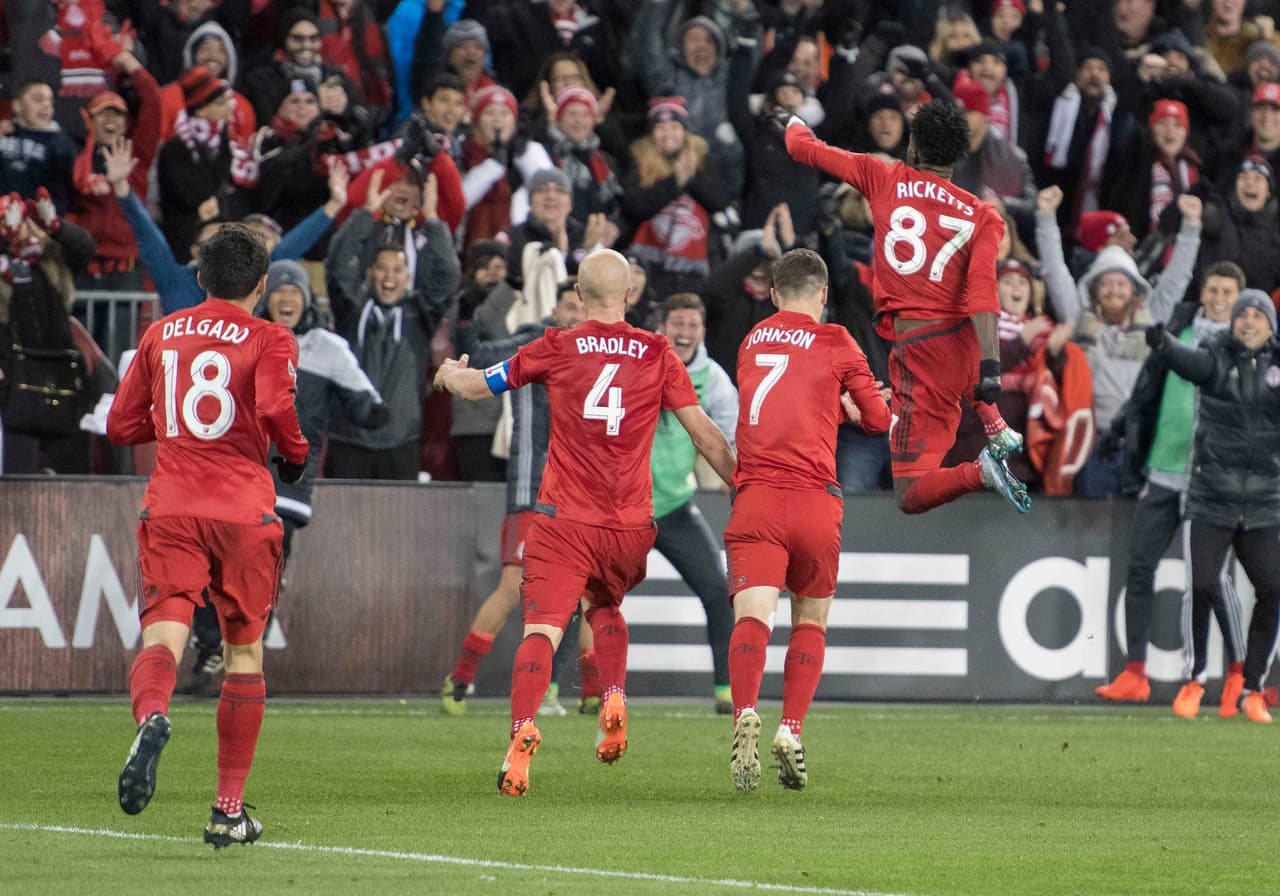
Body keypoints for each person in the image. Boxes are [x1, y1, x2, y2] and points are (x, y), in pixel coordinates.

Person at [435, 249, 737, 797]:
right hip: (628, 525)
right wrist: (750, 488)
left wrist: (450, 376)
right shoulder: (658, 352)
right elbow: (706, 435)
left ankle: (523, 730)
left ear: (577, 296)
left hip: (563, 519)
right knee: (607, 606)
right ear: (629, 296)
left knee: (542, 631)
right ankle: (614, 695)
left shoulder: (557, 346)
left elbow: (482, 386)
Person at [106, 224, 308, 847]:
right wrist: (294, 453)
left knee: (163, 630)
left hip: (172, 507)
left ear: (199, 279)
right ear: (262, 284)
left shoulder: (161, 332)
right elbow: (276, 410)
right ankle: (227, 811)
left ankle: (153, 715)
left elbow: (119, 425)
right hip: (244, 512)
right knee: (243, 654)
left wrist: (173, 432)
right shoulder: (271, 336)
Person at [782, 98, 1031, 515]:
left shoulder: (883, 176)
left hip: (922, 352)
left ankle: (982, 471)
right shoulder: (984, 215)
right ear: (957, 155)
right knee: (964, 334)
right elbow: (982, 289)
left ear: (913, 146)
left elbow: (803, 146)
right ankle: (994, 422)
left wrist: (789, 120)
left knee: (911, 494)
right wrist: (991, 365)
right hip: (966, 347)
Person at [725, 249, 891, 794]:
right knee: (811, 621)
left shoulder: (752, 341)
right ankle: (791, 729)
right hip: (816, 501)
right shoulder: (838, 339)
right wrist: (847, 405)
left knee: (753, 617)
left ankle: (745, 711)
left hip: (757, 498)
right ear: (823, 295)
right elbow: (879, 420)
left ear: (773, 295)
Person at [1097, 261, 1246, 708]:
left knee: (1210, 581)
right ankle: (1135, 673)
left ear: (1239, 299)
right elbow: (1149, 385)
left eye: (1227, 291)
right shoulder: (1179, 328)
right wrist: (1124, 423)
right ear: (1203, 292)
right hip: (1162, 469)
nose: (1218, 298)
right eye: (1212, 289)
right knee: (1139, 567)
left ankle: (1240, 673)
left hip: (1210, 479)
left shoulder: (1246, 346)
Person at [440, 278, 588, 714]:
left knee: (583, 593)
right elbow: (481, 350)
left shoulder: (598, 353)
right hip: (531, 486)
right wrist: (464, 338)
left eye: (582, 308)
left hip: (576, 493)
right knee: (511, 587)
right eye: (568, 308)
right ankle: (459, 680)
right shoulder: (534, 342)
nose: (576, 316)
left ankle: (581, 691)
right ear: (555, 310)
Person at [1146, 290, 1280, 722]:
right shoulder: (1214, 357)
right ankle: (1195, 677)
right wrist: (1164, 345)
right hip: (1211, 497)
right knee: (1203, 583)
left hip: (1265, 501)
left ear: (1271, 326)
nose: (1249, 322)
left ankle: (1254, 688)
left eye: (1259, 316)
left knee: (1274, 589)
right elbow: (1188, 361)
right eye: (1244, 315)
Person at [650, 293, 739, 714]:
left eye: (692, 326)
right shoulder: (640, 359)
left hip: (673, 505)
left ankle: (727, 693)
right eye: (677, 324)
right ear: (662, 326)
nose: (684, 333)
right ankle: (560, 691)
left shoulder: (713, 378)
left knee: (720, 594)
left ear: (703, 331)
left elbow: (732, 434)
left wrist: (739, 478)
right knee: (581, 595)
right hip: (621, 508)